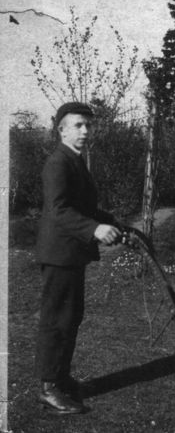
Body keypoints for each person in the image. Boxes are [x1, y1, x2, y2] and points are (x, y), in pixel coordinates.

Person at [35, 102, 122, 414]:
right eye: (77, 125)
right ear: (62, 129)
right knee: (57, 321)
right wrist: (95, 228)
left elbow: (81, 206)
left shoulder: (75, 160)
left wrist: (111, 222)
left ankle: (61, 379)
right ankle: (48, 387)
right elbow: (58, 210)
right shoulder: (58, 162)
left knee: (70, 318)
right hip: (59, 254)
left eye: (88, 125)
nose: (85, 131)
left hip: (70, 253)